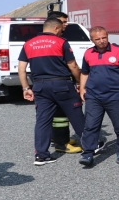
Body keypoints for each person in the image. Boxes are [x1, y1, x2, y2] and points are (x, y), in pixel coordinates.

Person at [18, 18, 85, 166]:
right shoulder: (61, 42)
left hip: (40, 86)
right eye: (61, 28)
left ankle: (41, 155)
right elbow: (73, 65)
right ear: (55, 28)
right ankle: (91, 145)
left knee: (42, 120)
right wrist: (80, 82)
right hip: (61, 84)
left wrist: (26, 88)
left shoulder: (28, 44)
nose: (62, 31)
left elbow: (21, 69)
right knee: (76, 114)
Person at [78, 26, 119, 166]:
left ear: (107, 36)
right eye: (97, 39)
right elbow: (85, 72)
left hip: (114, 96)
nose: (102, 41)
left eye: (104, 37)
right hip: (93, 96)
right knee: (90, 126)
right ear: (92, 40)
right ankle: (88, 153)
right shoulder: (88, 53)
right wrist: (82, 89)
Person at [46, 11, 82, 153]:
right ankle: (61, 142)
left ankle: (60, 138)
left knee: (58, 115)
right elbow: (70, 64)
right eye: (63, 22)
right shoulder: (57, 41)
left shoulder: (45, 40)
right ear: (55, 24)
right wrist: (80, 81)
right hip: (59, 83)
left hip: (49, 83)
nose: (65, 24)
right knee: (61, 114)